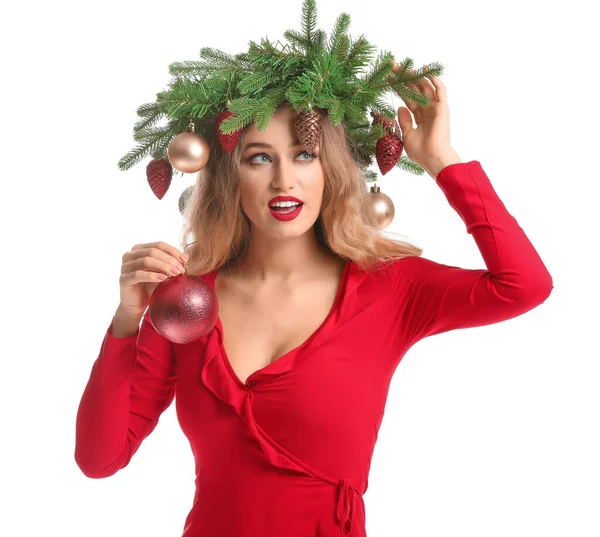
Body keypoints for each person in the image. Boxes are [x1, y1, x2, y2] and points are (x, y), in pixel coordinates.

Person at [74, 5, 553, 535]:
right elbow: (100, 459)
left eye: (305, 155)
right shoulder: (186, 302)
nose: (284, 179)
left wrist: (442, 159)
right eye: (259, 158)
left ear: (334, 168)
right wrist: (126, 319)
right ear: (232, 176)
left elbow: (524, 286)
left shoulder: (389, 287)